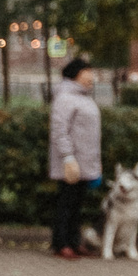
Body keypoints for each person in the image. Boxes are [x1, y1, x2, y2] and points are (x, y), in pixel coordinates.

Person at [47, 57, 99, 261]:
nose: (92, 77)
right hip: (70, 162)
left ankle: (74, 241)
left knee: (77, 204)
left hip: (84, 161)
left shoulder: (83, 97)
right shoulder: (65, 98)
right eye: (87, 73)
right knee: (66, 203)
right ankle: (61, 242)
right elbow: (60, 130)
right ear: (75, 74)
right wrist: (68, 157)